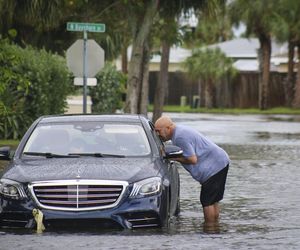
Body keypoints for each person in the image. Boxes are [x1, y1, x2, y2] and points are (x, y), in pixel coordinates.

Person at [154, 116, 230, 225]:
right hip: (221, 162)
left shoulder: (179, 137)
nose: (158, 134)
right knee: (213, 200)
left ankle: (209, 229)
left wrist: (172, 158)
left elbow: (192, 159)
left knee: (207, 201)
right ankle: (215, 227)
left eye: (158, 131)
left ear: (168, 128)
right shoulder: (180, 132)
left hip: (214, 166)